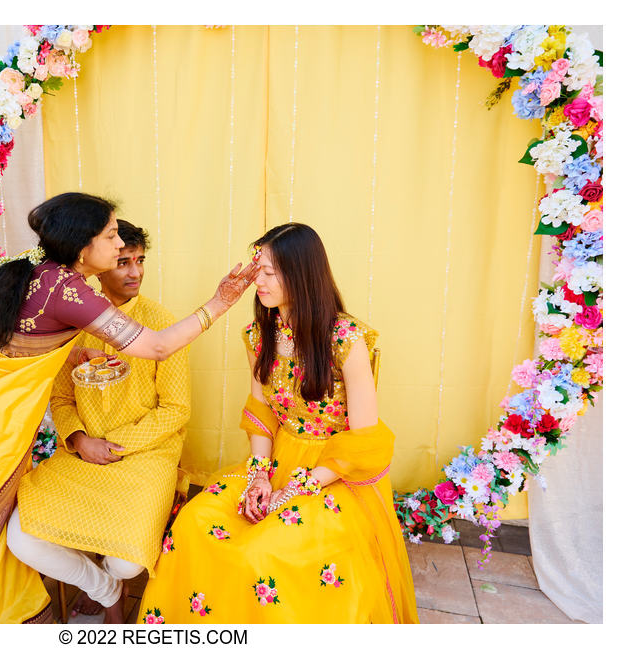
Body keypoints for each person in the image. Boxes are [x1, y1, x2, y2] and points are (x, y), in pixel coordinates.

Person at [0, 193, 257, 623]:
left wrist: (72, 359)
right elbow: (159, 347)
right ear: (84, 246)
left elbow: (17, 345)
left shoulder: (44, 272)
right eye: (110, 237)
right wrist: (219, 303)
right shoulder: (69, 291)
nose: (118, 247)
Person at [137, 223, 419, 624]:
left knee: (263, 554)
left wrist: (293, 491)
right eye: (258, 270)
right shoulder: (258, 335)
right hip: (276, 458)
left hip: (335, 473)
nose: (259, 281)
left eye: (271, 272)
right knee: (195, 523)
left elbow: (364, 441)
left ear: (302, 274)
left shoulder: (344, 338)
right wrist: (259, 477)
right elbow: (260, 413)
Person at [8, 220, 191, 624]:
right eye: (124, 261)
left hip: (145, 455)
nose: (135, 272)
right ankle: (104, 589)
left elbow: (176, 410)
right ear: (95, 263)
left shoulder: (163, 323)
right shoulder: (70, 320)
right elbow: (60, 396)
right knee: (22, 540)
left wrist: (112, 443)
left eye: (140, 261)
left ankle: (113, 578)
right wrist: (77, 438)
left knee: (127, 562)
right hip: (80, 454)